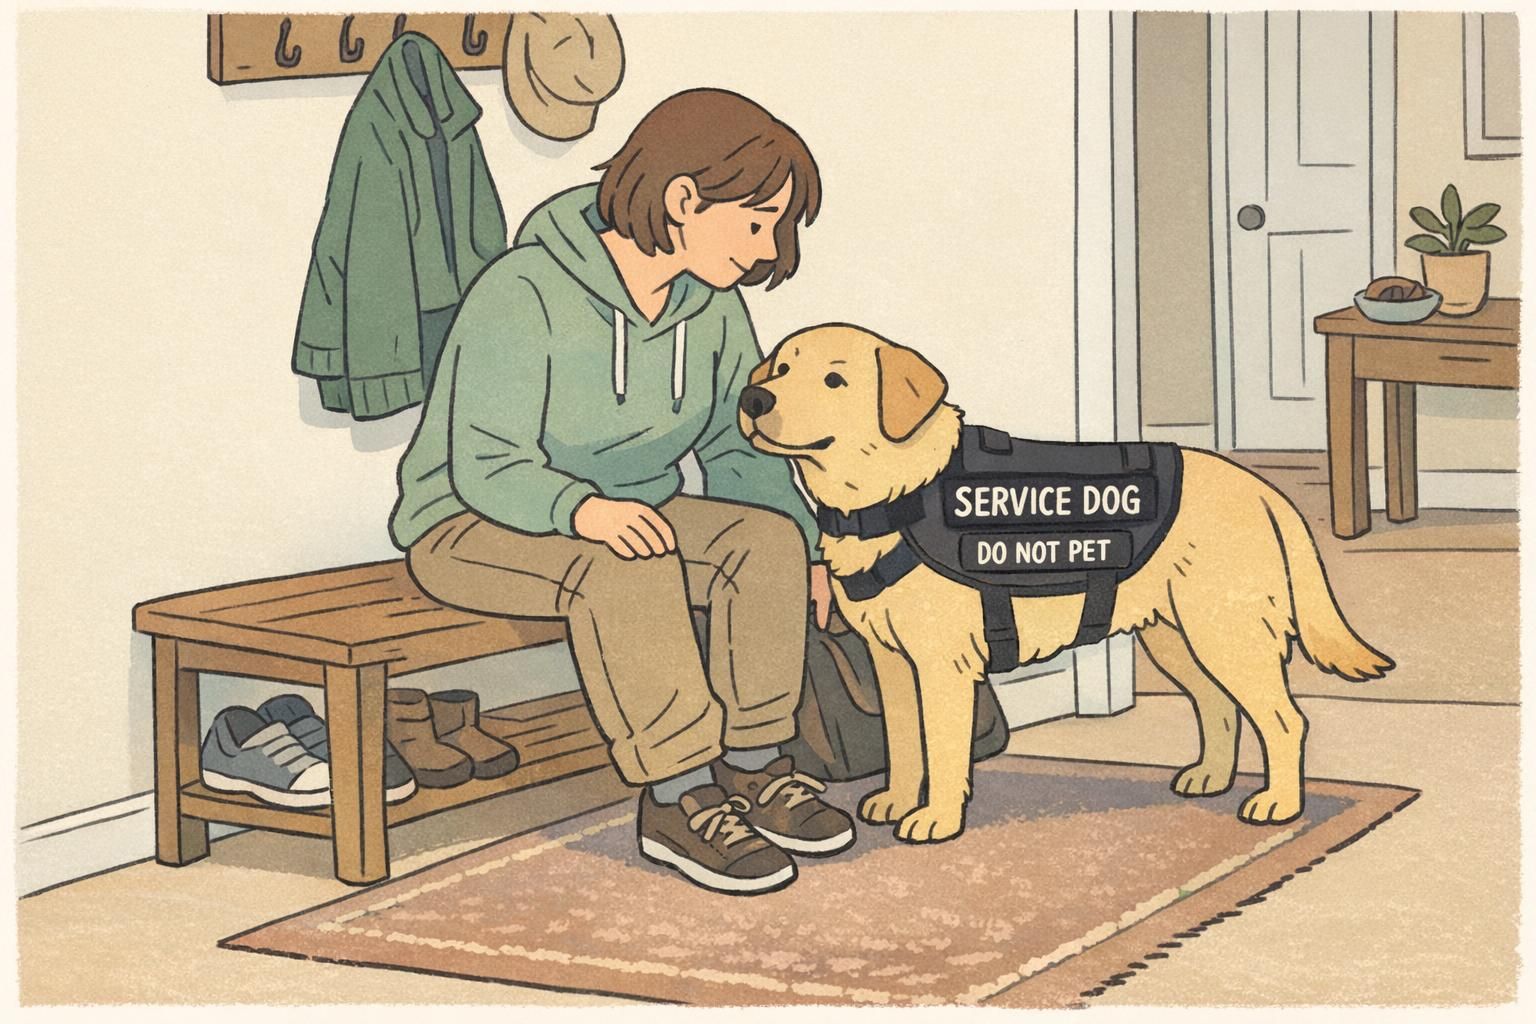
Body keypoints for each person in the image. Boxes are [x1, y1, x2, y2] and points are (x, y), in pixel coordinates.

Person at [389, 89, 854, 895]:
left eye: (777, 225)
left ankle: (752, 765)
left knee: (765, 542)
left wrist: (808, 551)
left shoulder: (710, 306)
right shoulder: (523, 290)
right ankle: (676, 798)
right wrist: (582, 511)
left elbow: (737, 448)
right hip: (474, 519)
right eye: (755, 221)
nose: (767, 247)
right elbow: (486, 462)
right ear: (681, 201)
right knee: (627, 563)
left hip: (630, 505)